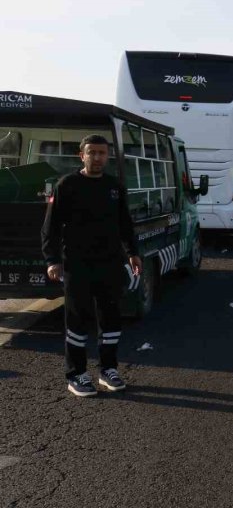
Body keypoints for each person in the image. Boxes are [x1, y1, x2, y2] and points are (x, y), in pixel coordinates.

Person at [41, 134, 142, 397]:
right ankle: (77, 375)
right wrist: (52, 260)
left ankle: (109, 369)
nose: (97, 157)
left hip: (110, 263)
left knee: (110, 318)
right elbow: (50, 228)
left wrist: (132, 253)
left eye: (101, 153)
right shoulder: (67, 185)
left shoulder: (114, 186)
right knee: (78, 319)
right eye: (92, 152)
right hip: (77, 265)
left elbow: (125, 224)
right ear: (81, 155)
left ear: (107, 156)